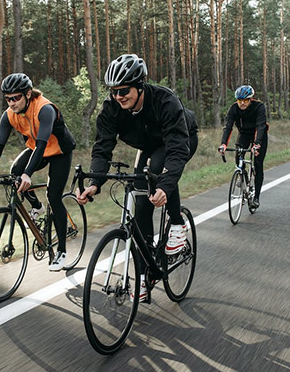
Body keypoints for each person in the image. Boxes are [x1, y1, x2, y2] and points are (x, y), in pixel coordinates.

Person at [76, 54, 198, 302]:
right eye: (114, 91)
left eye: (124, 90)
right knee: (141, 201)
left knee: (159, 177)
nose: (119, 96)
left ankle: (177, 224)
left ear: (140, 86)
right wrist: (95, 183)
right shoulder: (112, 108)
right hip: (148, 146)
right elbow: (103, 147)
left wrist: (165, 184)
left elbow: (176, 150)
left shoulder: (165, 100)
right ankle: (145, 272)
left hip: (179, 139)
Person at [0, 73, 76, 271]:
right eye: (7, 98)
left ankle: (61, 251)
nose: (11, 102)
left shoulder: (45, 109)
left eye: (16, 98)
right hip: (39, 149)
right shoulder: (9, 114)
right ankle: (37, 207)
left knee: (54, 195)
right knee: (15, 173)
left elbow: (42, 144)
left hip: (59, 151)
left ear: (28, 94)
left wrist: (28, 174)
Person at [218, 84, 268, 209]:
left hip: (258, 134)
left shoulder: (259, 107)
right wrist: (223, 144)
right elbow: (228, 127)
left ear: (250, 99)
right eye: (240, 100)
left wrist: (257, 144)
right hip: (244, 134)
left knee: (257, 164)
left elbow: (261, 126)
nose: (242, 103)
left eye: (245, 100)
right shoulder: (233, 109)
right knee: (238, 156)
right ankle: (243, 174)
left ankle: (256, 197)